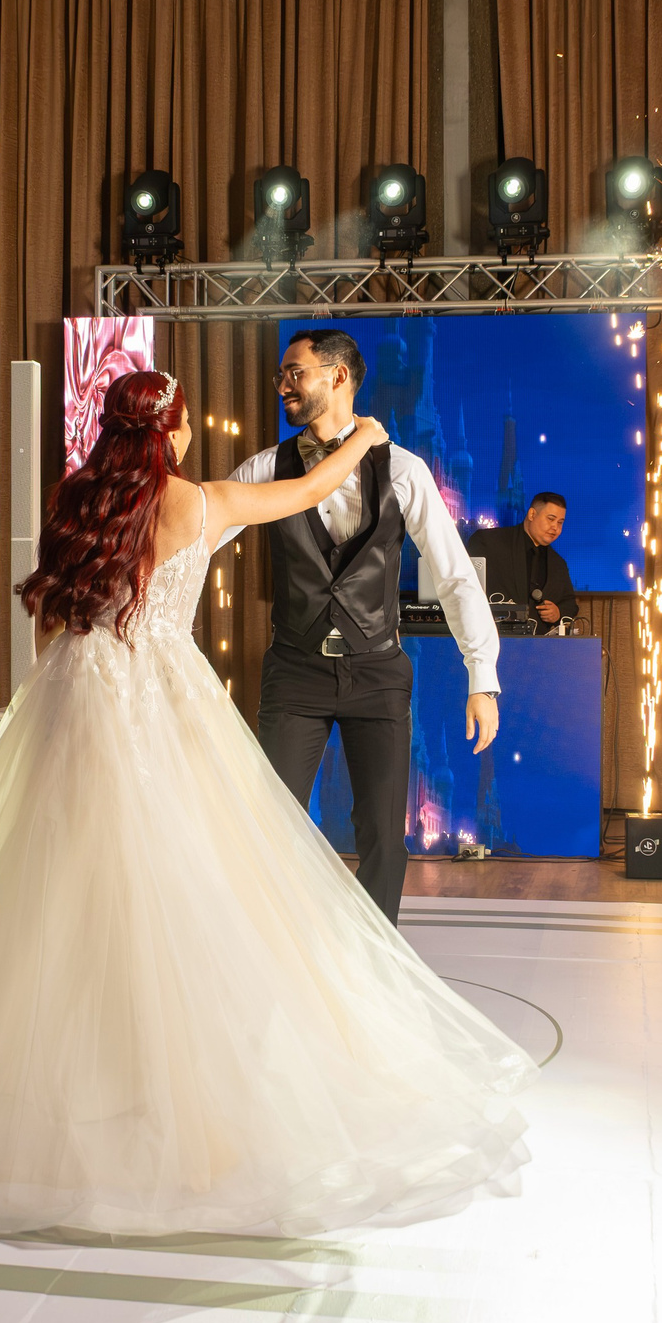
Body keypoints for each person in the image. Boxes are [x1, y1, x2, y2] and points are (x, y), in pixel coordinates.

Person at [0, 370, 533, 1238]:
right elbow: (308, 490)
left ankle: (56, 1095)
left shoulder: (75, 497)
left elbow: (49, 621)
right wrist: (364, 440)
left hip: (76, 693)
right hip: (162, 697)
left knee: (58, 894)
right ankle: (176, 1104)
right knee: (186, 890)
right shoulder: (198, 502)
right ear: (175, 435)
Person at [220, 329, 502, 924]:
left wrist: (482, 676)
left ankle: (379, 969)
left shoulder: (405, 468)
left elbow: (453, 577)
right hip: (294, 674)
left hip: (376, 673)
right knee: (268, 826)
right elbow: (197, 543)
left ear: (338, 377)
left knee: (382, 838)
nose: (282, 386)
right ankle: (276, 952)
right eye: (280, 375)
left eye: (294, 373)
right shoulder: (265, 468)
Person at [466, 493, 578, 633]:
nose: (555, 527)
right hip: (491, 640)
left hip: (538, 648)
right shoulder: (489, 542)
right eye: (551, 519)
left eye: (560, 522)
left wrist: (558, 612)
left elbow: (570, 604)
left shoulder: (558, 564)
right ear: (532, 514)